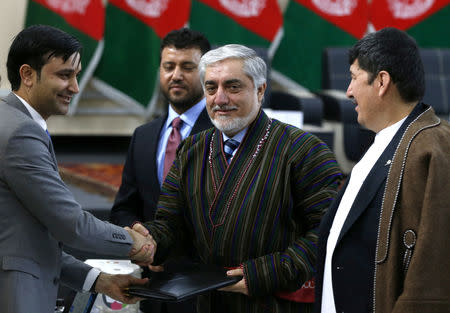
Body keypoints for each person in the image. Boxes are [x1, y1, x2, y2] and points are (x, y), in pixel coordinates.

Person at [132, 44, 342, 313]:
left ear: (260, 90)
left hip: (274, 304)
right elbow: (171, 223)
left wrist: (265, 273)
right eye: (210, 88)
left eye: (232, 87)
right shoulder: (193, 149)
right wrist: (149, 240)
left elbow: (327, 233)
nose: (219, 99)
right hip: (207, 303)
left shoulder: (304, 150)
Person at [0, 25, 155, 313]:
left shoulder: (11, 120)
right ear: (27, 75)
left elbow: (28, 241)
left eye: (76, 74)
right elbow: (70, 225)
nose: (75, 87)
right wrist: (132, 242)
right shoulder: (20, 132)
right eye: (64, 75)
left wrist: (98, 280)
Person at [315, 27, 450, 313]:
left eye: (353, 78)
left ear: (382, 81)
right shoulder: (385, 140)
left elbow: (433, 268)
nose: (348, 91)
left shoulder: (432, 148)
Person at [110, 28, 212, 313]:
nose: (176, 75)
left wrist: (167, 246)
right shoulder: (143, 136)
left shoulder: (222, 134)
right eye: (169, 66)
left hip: (205, 289)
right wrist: (141, 243)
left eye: (187, 67)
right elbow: (123, 209)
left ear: (206, 73)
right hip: (153, 289)